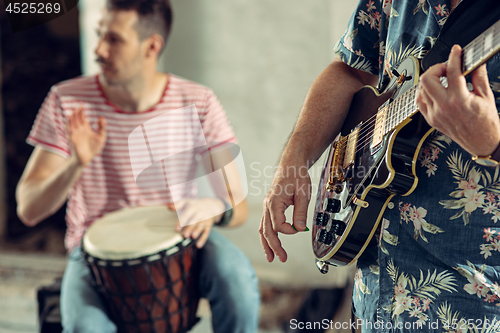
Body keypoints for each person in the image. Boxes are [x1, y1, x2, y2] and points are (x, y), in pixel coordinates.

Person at [15, 0, 260, 332]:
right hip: (92, 251)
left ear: (152, 46)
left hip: (179, 236)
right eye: (99, 34)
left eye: (114, 39)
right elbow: (28, 209)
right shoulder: (67, 100)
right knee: (84, 327)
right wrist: (75, 164)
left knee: (236, 279)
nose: (99, 48)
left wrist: (213, 207)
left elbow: (239, 206)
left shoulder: (198, 102)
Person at [260, 0, 500, 331]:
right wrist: (294, 158)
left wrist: (492, 144)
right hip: (372, 293)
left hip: (469, 301)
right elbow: (348, 70)